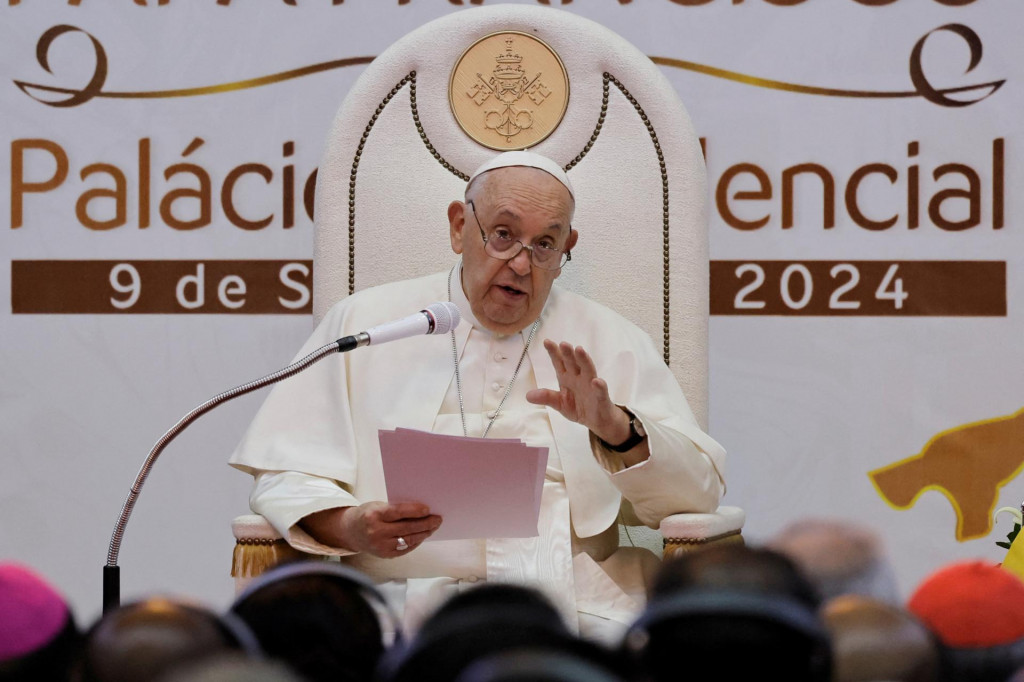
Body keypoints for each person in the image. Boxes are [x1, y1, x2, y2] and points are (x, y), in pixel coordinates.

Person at [229, 150, 726, 638]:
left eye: (545, 245)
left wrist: (617, 430)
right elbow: (286, 475)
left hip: (574, 603)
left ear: (565, 249)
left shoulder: (608, 340)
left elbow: (697, 495)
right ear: (458, 227)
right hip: (395, 602)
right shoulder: (366, 324)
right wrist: (349, 526)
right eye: (503, 235)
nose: (520, 264)